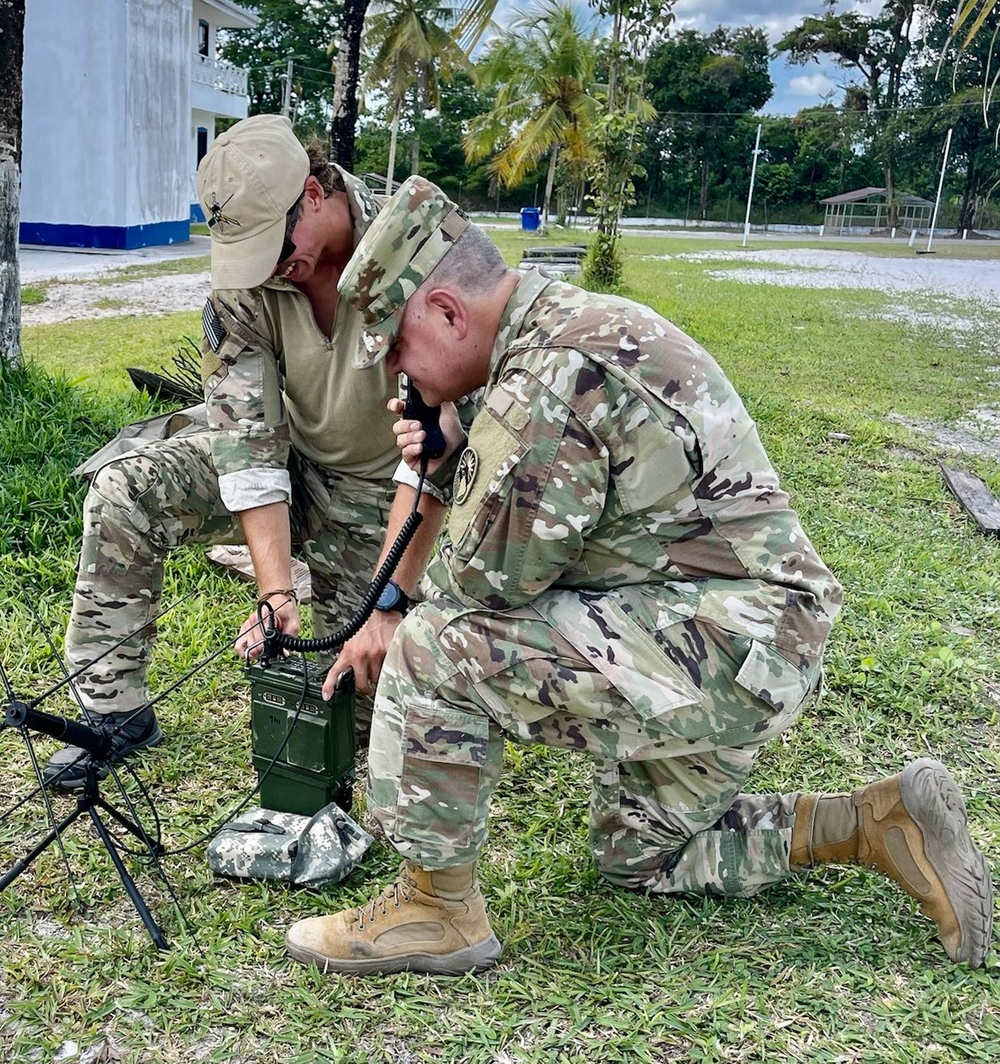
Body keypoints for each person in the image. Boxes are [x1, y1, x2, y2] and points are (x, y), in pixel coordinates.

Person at [283, 175, 994, 976]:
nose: (394, 376)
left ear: (448, 312)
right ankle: (873, 823)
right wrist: (456, 447)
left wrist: (445, 467)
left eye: (398, 348)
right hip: (752, 640)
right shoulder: (562, 329)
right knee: (639, 856)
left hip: (727, 647)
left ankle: (434, 909)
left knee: (433, 644)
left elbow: (478, 588)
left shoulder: (548, 379)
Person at [45, 117, 443, 790]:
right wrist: (275, 588)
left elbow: (439, 447)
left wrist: (387, 600)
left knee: (364, 707)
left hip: (391, 493)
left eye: (278, 241)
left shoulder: (412, 244)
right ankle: (113, 710)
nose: (271, 263)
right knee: (125, 489)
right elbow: (248, 441)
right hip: (292, 463)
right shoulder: (247, 278)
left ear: (314, 191)